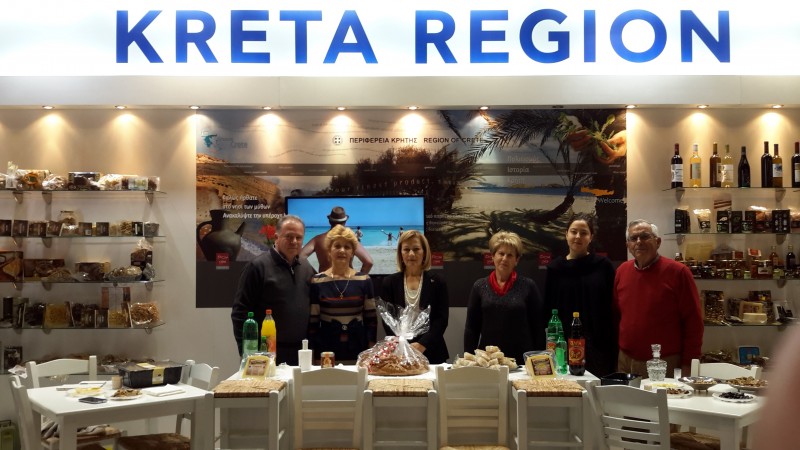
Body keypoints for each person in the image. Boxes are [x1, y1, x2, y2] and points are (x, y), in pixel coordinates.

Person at [613, 219, 703, 377]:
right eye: (633, 238)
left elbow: (694, 323)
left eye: (645, 236)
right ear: (628, 245)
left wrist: (688, 365)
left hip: (664, 362)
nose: (639, 242)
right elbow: (617, 314)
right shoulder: (622, 271)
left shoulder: (678, 272)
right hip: (625, 361)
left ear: (658, 241)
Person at [231, 214, 315, 366]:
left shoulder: (307, 267)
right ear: (276, 237)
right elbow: (240, 313)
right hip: (266, 354)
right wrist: (247, 353)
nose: (294, 241)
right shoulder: (257, 267)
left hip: (301, 353)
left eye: (299, 237)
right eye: (289, 236)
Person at [545, 214, 617, 376]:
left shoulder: (603, 266)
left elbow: (612, 306)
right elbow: (548, 309)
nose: (578, 236)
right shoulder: (555, 269)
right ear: (566, 234)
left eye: (583, 233)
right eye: (573, 231)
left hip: (598, 345)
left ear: (591, 237)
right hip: (563, 346)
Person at [464, 231, 545, 364]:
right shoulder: (479, 286)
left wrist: (538, 362)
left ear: (516, 260)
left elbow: (538, 329)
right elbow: (471, 329)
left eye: (510, 255)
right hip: (488, 362)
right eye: (501, 253)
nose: (504, 258)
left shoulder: (528, 286)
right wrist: (470, 361)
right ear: (493, 256)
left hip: (521, 362)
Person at [308, 225, 377, 362]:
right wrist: (312, 352)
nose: (342, 250)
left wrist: (371, 350)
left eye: (347, 247)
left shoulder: (364, 280)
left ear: (352, 252)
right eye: (337, 246)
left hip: (359, 347)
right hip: (326, 349)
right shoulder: (317, 281)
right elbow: (313, 321)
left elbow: (371, 320)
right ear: (329, 250)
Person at [381, 230, 450, 364]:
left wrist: (422, 345)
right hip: (400, 351)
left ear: (424, 252)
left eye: (416, 249)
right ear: (400, 253)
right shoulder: (389, 283)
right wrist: (402, 344)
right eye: (406, 249)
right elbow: (387, 320)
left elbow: (441, 319)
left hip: (432, 351)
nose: (411, 254)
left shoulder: (438, 281)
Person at [301, 206, 373, 274]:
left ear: (329, 221)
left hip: (325, 281)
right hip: (347, 280)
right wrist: (360, 278)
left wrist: (315, 275)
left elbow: (299, 258)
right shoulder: (350, 239)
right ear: (345, 222)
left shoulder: (318, 239)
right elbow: (368, 262)